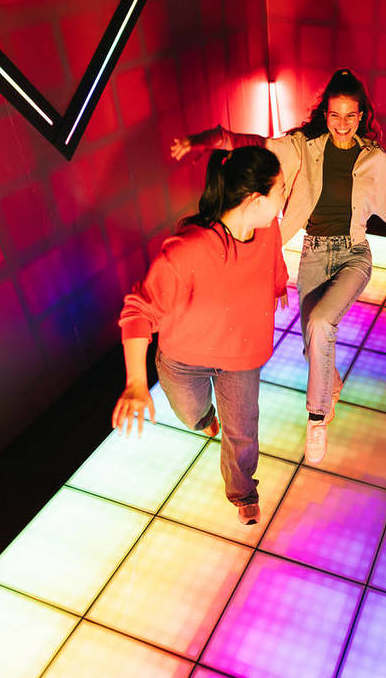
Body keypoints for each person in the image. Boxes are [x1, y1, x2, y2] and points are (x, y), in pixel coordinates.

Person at [171, 68, 386, 462]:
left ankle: (317, 418)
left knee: (322, 324)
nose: (342, 124)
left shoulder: (373, 159)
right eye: (334, 115)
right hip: (313, 255)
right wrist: (215, 139)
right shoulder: (305, 147)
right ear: (325, 113)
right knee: (313, 345)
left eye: (350, 116)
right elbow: (262, 147)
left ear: (361, 116)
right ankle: (330, 382)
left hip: (354, 254)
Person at [112, 145, 288, 526]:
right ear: (256, 200)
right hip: (184, 359)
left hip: (241, 358)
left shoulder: (267, 227)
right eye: (281, 190)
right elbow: (137, 311)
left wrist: (278, 286)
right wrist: (136, 384)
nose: (284, 198)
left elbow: (274, 262)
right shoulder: (186, 251)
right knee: (192, 416)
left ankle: (243, 491)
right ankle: (205, 416)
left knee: (243, 430)